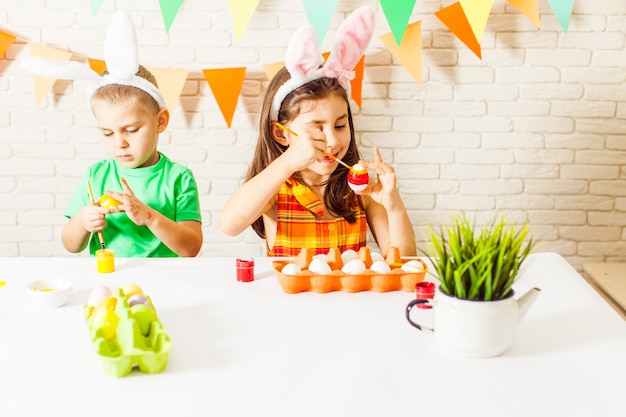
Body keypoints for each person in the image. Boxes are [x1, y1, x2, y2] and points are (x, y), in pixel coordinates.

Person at [218, 6, 415, 257]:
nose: (332, 141)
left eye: (340, 126)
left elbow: (403, 259)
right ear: (281, 134)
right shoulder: (276, 190)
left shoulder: (361, 191)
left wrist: (394, 206)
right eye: (316, 127)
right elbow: (228, 224)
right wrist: (288, 161)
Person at [24, 11, 202, 257]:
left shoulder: (178, 178)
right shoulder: (96, 176)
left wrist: (149, 217)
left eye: (132, 130)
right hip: (108, 279)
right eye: (107, 133)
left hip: (165, 284)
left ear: (160, 121)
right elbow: (70, 244)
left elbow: (191, 248)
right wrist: (83, 222)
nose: (120, 143)